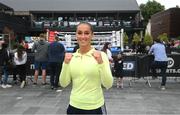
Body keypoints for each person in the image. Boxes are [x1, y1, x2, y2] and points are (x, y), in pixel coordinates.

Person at [59, 22, 113, 114]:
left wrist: (100, 63)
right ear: (76, 35)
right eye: (79, 33)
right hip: (74, 107)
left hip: (95, 107)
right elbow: (63, 83)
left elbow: (108, 84)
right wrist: (65, 64)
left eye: (86, 33)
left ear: (92, 35)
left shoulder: (101, 55)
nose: (83, 36)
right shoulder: (71, 57)